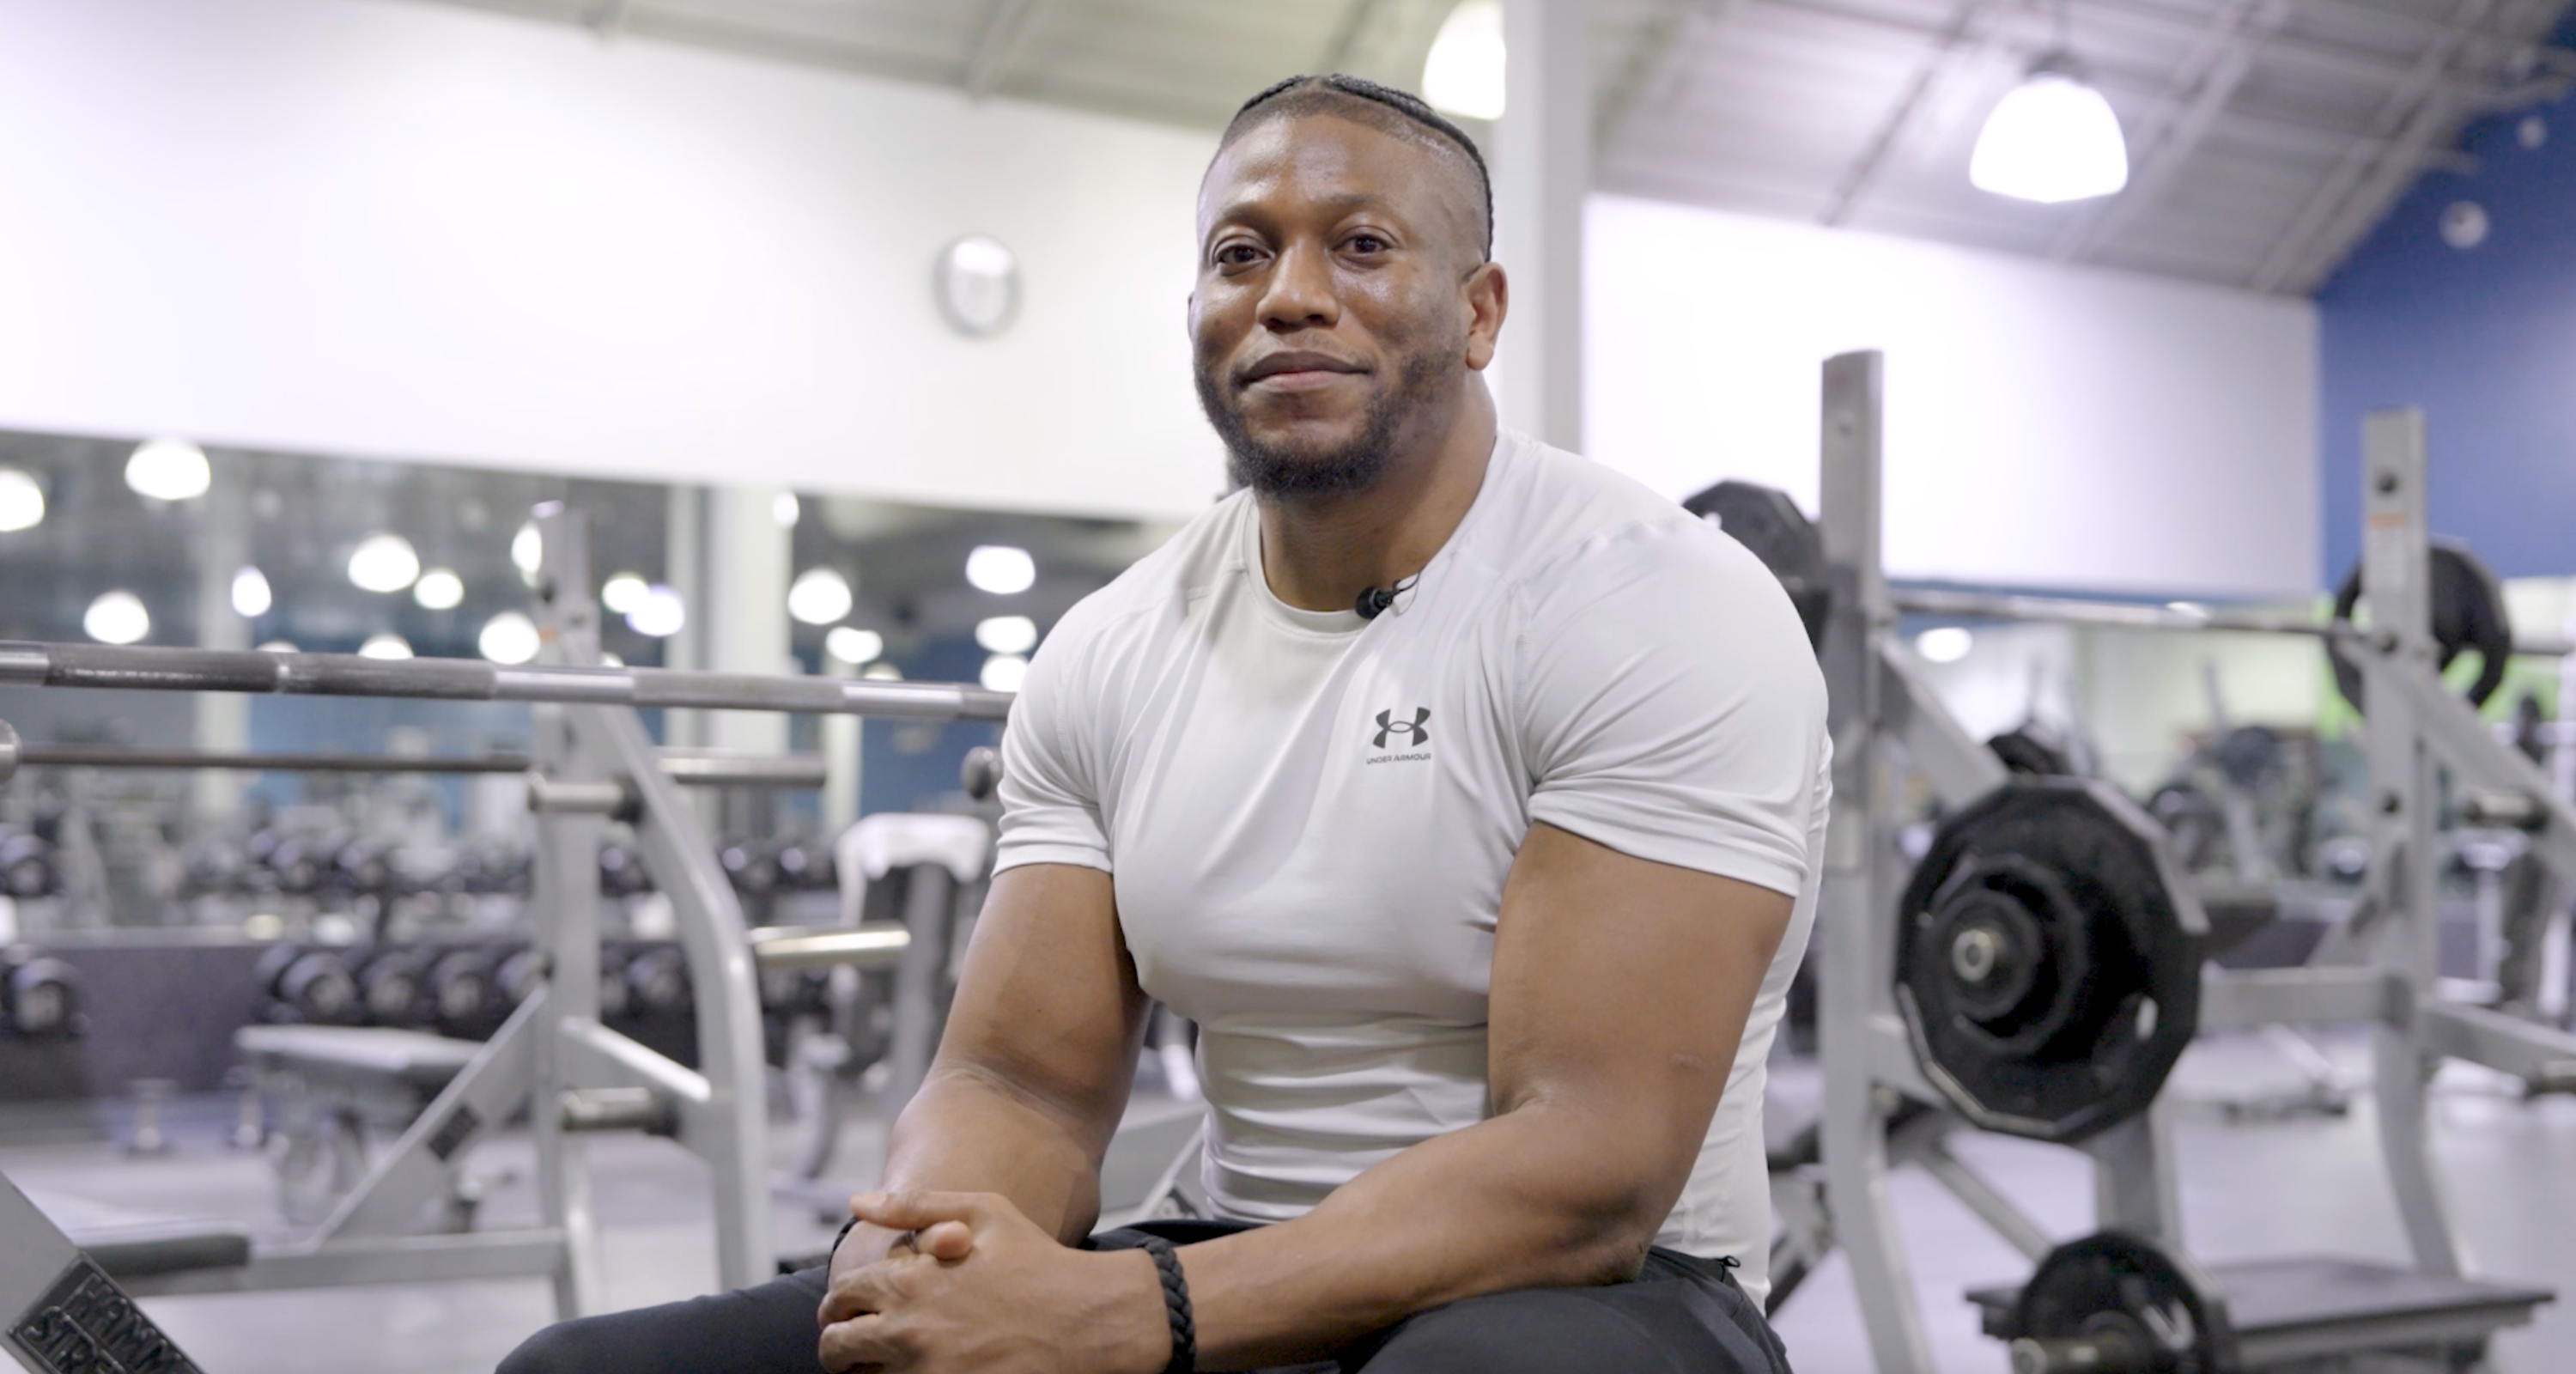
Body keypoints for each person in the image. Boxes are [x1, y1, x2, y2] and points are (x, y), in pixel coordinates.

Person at [501, 72, 1826, 1374]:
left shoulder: (1650, 602)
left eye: (1361, 246)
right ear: (1198, 311)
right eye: (1242, 254)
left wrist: (1131, 1317)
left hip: (1606, 1285)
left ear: (1479, 312)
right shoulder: (1115, 648)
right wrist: (914, 1262)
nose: (1290, 292)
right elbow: (1019, 1086)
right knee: (579, 1369)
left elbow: (1586, 1164)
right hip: (1223, 1245)